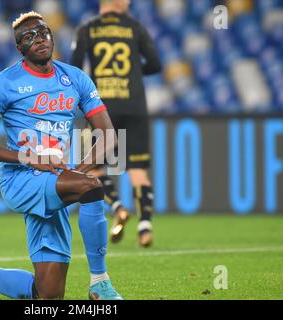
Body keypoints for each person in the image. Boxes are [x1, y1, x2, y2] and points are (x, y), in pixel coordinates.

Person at [0, 11, 122, 300]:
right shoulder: (4, 82)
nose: (39, 39)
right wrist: (30, 158)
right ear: (19, 48)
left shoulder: (75, 79)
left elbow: (109, 134)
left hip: (57, 180)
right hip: (21, 179)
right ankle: (100, 282)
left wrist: (77, 170)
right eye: (28, 37)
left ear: (53, 37)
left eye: (44, 32)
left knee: (47, 296)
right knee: (92, 187)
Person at [71, 0, 162, 247]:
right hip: (134, 106)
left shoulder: (87, 29)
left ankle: (119, 208)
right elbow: (155, 63)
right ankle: (145, 228)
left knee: (96, 167)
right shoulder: (135, 27)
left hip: (102, 108)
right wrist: (131, 72)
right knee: (137, 170)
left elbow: (75, 68)